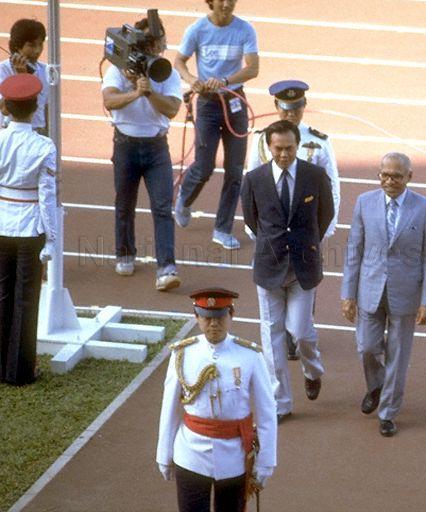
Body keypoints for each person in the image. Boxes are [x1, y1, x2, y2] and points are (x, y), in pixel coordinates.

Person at [341, 152, 426, 437]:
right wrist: (348, 294)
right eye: (384, 175)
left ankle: (387, 413)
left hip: (406, 293)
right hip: (369, 289)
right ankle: (377, 385)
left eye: (396, 176)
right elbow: (354, 250)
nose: (389, 181)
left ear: (409, 177)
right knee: (367, 346)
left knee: (398, 355)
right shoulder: (364, 202)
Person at [240, 119, 333, 422]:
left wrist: (306, 244)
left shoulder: (315, 176)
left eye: (289, 148)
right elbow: (253, 220)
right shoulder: (254, 179)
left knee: (300, 331)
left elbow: (325, 214)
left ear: (298, 146)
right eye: (278, 148)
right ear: (268, 147)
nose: (284, 154)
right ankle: (280, 402)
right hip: (269, 268)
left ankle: (312, 370)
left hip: (303, 268)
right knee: (272, 336)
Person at [156, 287, 277, 512]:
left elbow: (267, 411)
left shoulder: (250, 356)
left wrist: (266, 461)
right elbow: (169, 407)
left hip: (234, 457)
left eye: (220, 317)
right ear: (196, 316)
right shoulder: (182, 353)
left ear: (231, 314)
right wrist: (164, 453)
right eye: (206, 317)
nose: (214, 324)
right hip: (190, 453)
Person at [246, 79, 341, 361]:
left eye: (296, 108)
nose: (291, 114)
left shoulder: (318, 141)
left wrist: (324, 230)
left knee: (304, 279)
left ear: (304, 106)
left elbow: (332, 186)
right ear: (276, 107)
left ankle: (299, 331)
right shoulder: (262, 139)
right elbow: (251, 182)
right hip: (273, 229)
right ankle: (288, 336)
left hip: (306, 226)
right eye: (286, 108)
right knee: (275, 280)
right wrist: (257, 232)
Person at [101, 16, 182, 292]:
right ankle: (125, 253)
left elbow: (172, 108)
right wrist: (135, 92)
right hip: (125, 145)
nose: (155, 48)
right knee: (124, 203)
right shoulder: (117, 69)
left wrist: (148, 94)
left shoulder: (168, 73)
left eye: (159, 42)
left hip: (157, 147)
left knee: (162, 207)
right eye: (149, 42)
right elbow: (109, 100)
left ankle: (167, 268)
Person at [173, 0, 259, 250]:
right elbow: (179, 61)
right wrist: (192, 79)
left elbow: (253, 68)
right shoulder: (197, 29)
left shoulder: (245, 29)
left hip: (235, 101)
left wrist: (225, 80)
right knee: (204, 166)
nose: (227, 4)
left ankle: (222, 229)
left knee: (235, 170)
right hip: (208, 104)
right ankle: (184, 198)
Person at [0, 74, 57, 385]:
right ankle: (20, 371)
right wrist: (52, 239)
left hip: (2, 223)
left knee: (2, 294)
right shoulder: (44, 146)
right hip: (29, 227)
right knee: (26, 299)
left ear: (6, 108)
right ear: (36, 108)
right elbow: (47, 197)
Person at [0, 19, 49, 135]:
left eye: (40, 44)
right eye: (31, 45)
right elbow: (5, 110)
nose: (37, 51)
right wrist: (21, 77)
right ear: (17, 46)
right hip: (13, 134)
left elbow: (47, 107)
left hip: (39, 132)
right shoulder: (3, 70)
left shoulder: (44, 70)